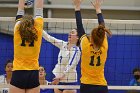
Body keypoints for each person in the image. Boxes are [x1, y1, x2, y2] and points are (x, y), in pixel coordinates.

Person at [73, 0, 112, 93]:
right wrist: (98, 9)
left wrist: (77, 6)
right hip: (101, 86)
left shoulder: (86, 45)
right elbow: (102, 27)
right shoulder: (104, 46)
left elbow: (79, 26)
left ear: (92, 38)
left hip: (86, 86)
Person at [9, 0, 44, 93]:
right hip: (33, 74)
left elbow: (20, 11)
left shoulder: (17, 29)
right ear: (34, 24)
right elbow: (39, 10)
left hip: (18, 73)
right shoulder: (38, 30)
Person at [42, 29, 81, 93]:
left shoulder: (76, 50)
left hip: (69, 81)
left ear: (77, 37)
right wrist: (39, 28)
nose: (70, 33)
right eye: (70, 32)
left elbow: (70, 65)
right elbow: (49, 38)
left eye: (72, 32)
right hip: (59, 80)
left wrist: (60, 78)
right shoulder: (63, 44)